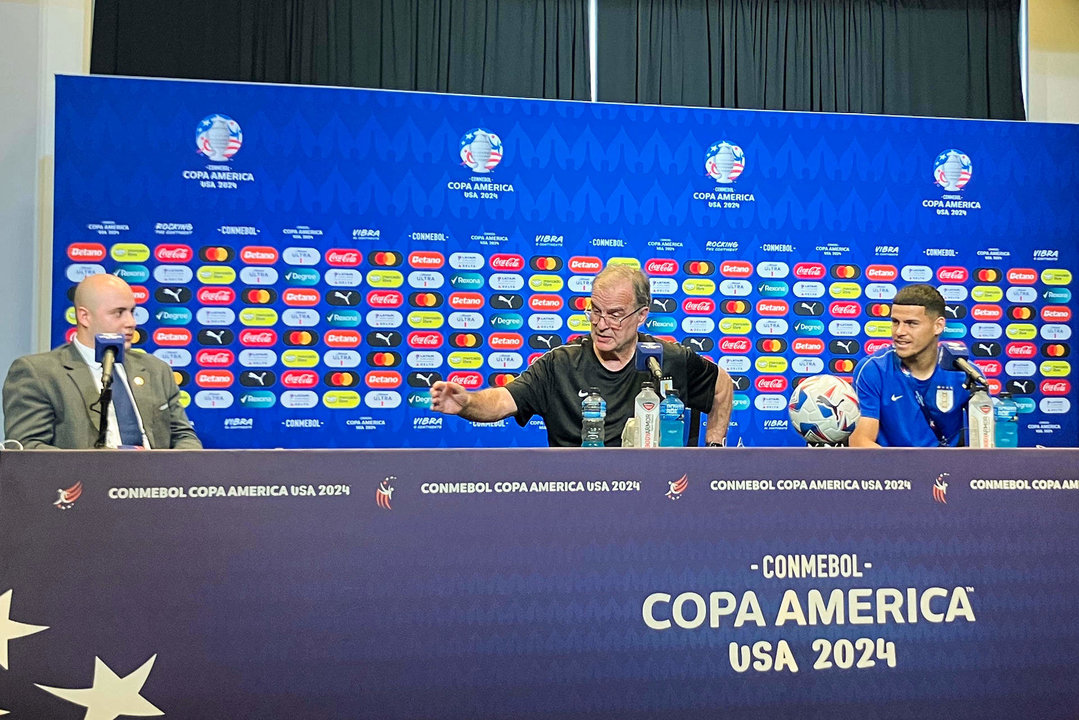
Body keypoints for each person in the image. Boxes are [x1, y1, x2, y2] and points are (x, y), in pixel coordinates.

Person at [430, 264, 733, 446]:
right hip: (574, 498)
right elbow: (500, 402)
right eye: (595, 311)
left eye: (615, 315)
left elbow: (722, 386)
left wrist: (715, 445)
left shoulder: (664, 359)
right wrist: (468, 402)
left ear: (641, 316)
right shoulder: (560, 365)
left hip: (651, 500)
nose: (601, 324)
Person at [2, 273, 202, 449]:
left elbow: (184, 437)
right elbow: (29, 447)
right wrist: (100, 469)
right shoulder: (39, 373)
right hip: (83, 487)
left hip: (154, 486)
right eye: (118, 313)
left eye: (132, 312)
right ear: (84, 317)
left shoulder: (156, 370)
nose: (131, 323)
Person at [849, 284, 969, 447]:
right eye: (895, 322)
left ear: (938, 326)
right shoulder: (873, 369)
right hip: (891, 470)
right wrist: (907, 470)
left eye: (911, 323)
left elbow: (983, 445)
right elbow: (861, 441)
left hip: (950, 469)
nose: (899, 331)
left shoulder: (965, 374)